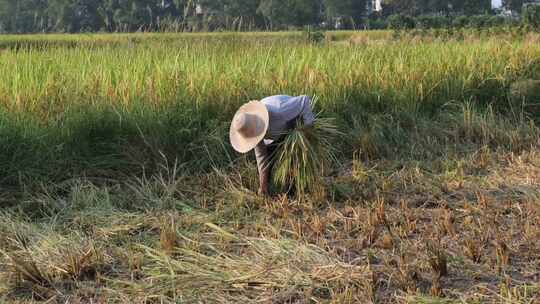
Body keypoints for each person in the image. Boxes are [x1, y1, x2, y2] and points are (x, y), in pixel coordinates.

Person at [229, 95, 315, 196]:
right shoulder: (251, 129)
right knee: (269, 166)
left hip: (293, 127)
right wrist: (262, 185)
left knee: (292, 162)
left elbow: (304, 100)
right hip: (276, 134)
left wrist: (306, 130)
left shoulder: (280, 111)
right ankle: (269, 191)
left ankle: (296, 192)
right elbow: (262, 158)